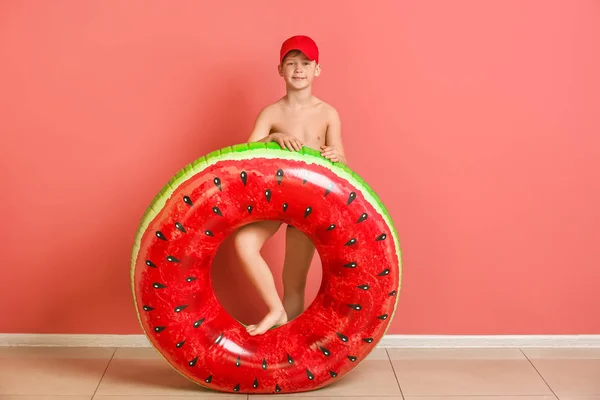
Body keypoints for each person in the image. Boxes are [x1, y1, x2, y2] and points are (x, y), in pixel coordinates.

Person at [233, 35, 347, 336]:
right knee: (244, 243)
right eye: (291, 63)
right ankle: (275, 310)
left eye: (306, 63)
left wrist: (337, 157)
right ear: (280, 69)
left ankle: (287, 345)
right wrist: (272, 139)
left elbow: (342, 161)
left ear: (317, 70)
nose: (298, 69)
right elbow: (246, 153)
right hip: (275, 198)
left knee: (293, 281)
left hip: (310, 203)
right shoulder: (271, 113)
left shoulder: (328, 113)